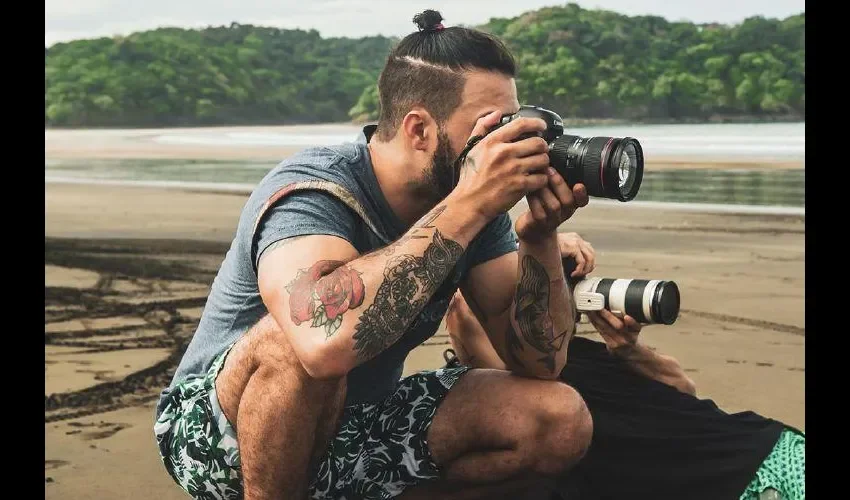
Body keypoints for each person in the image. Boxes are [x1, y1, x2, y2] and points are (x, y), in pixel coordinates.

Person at [154, 9, 599, 500]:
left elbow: (540, 361)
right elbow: (320, 341)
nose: (506, 143)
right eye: (490, 127)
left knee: (558, 418)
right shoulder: (315, 190)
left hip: (362, 422)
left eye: (512, 123)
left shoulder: (477, 207)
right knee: (295, 341)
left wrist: (537, 240)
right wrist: (470, 201)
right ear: (419, 131)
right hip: (219, 433)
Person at [443, 233, 806, 500]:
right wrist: (537, 248)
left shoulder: (582, 350)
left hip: (775, 453)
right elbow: (461, 310)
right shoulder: (505, 383)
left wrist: (629, 349)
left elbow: (685, 391)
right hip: (742, 487)